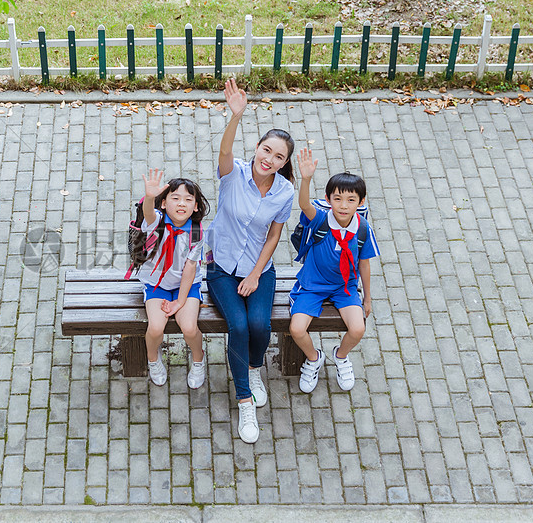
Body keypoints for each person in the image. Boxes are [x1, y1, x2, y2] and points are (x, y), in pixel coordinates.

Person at [205, 78, 296, 444]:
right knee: (238, 328)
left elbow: (274, 235)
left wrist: (257, 274)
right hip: (222, 267)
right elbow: (224, 150)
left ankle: (254, 368)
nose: (269, 159)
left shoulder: (284, 192)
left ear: (284, 163)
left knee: (260, 326)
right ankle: (244, 400)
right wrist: (236, 116)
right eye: (266, 150)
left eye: (278, 157)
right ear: (257, 147)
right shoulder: (234, 174)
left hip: (258, 269)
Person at [289, 148, 380, 393]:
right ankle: (313, 358)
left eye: (351, 200)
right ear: (328, 199)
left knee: (358, 328)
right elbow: (304, 204)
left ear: (361, 202)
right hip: (312, 286)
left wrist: (367, 297)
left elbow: (365, 263)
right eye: (337, 198)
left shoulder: (362, 229)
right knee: (296, 329)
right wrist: (306, 179)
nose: (343, 205)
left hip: (344, 287)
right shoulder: (320, 220)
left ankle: (340, 356)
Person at [135, 169, 210, 389]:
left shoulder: (196, 232)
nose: (181, 203)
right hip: (156, 284)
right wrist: (150, 196)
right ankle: (153, 358)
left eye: (188, 199)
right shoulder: (156, 221)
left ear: (195, 206)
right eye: (175, 198)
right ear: (164, 203)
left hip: (186, 285)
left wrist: (180, 301)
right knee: (156, 328)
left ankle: (198, 359)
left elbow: (190, 267)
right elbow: (148, 212)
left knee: (189, 327)